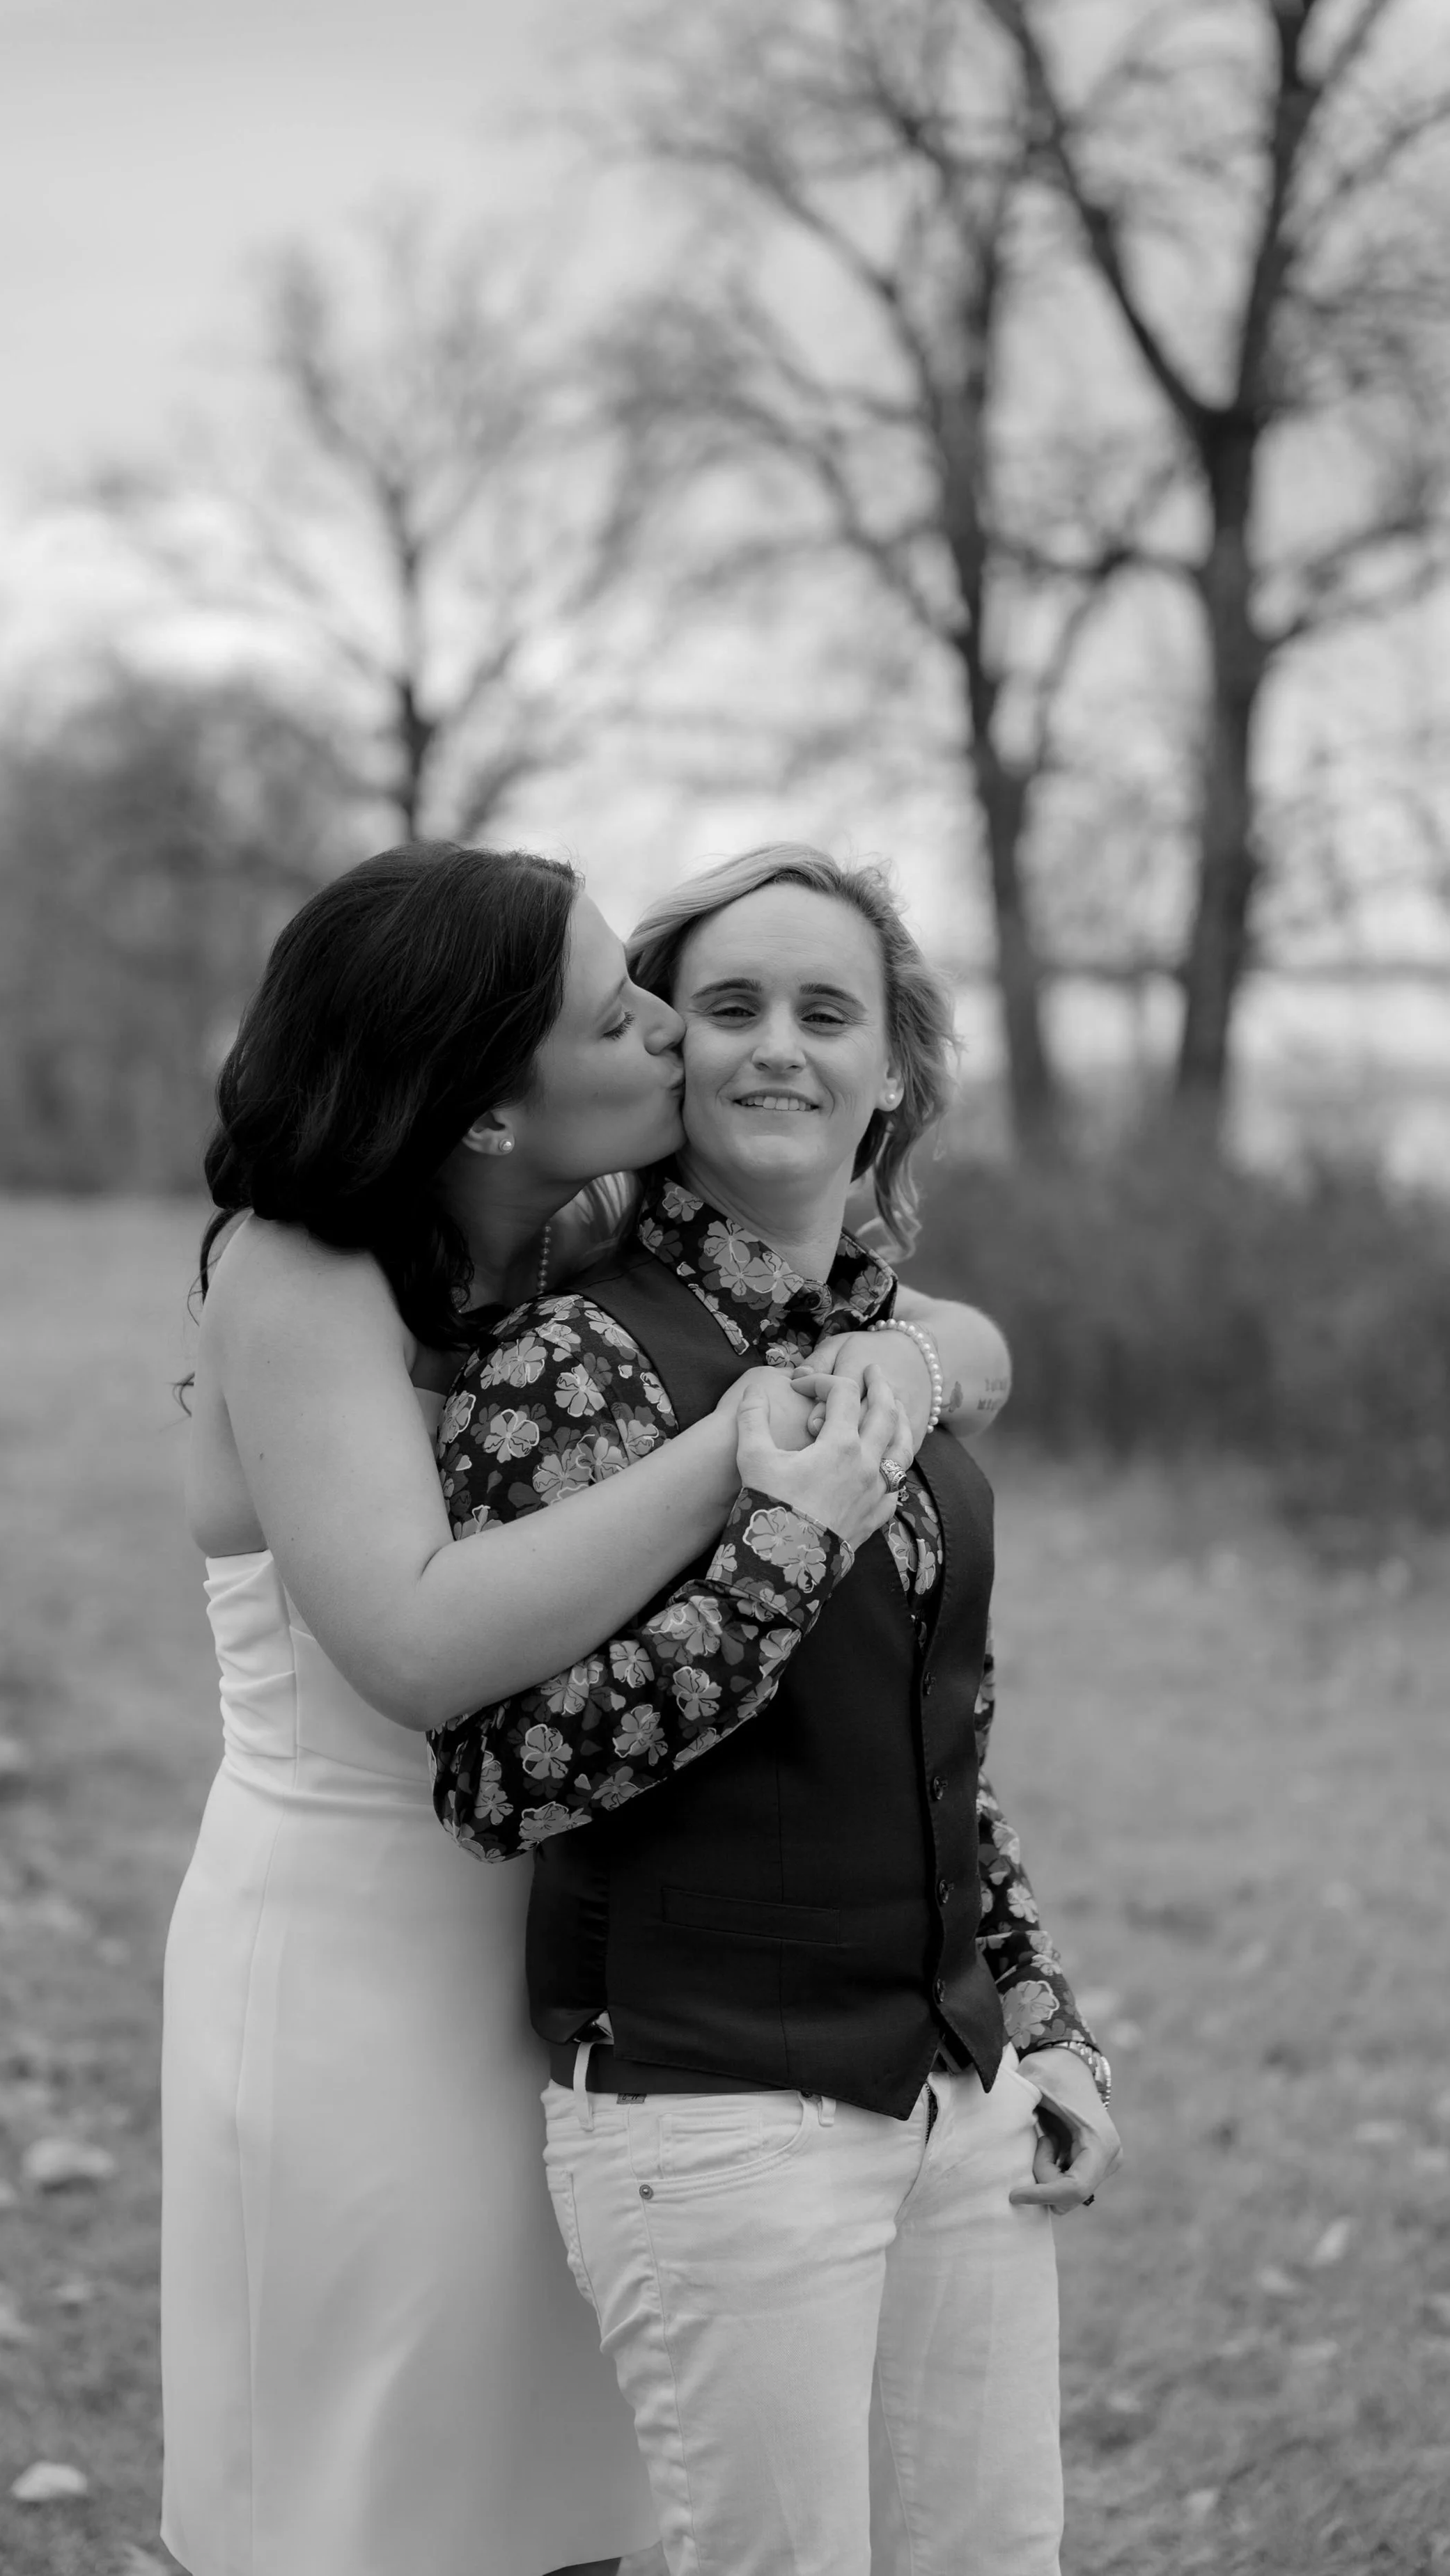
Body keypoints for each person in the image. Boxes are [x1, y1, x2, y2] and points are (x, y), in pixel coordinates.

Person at [160, 842, 1011, 2576]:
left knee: (596, 2481)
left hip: (584, 1934)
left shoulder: (572, 1238)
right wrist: (747, 1444)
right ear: (488, 1100)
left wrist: (912, 1365)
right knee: (379, 2490)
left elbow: (952, 1339)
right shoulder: (293, 1276)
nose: (666, 1036)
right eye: (622, 1007)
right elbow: (410, 1642)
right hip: (356, 1959)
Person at [430, 845, 1123, 2576]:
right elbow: (501, 1777)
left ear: (893, 1072)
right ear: (663, 1048)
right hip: (707, 2117)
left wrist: (1038, 2016)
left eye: (830, 1012)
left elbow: (932, 1742)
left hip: (952, 2102)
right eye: (727, 1007)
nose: (776, 1048)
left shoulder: (894, 1347)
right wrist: (784, 1549)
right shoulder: (565, 1366)